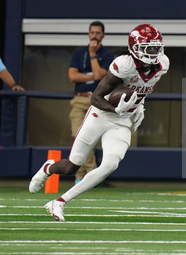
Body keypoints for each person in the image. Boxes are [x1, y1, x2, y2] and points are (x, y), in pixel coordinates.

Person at [29, 24, 169, 221]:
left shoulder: (162, 64)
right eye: (148, 48)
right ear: (135, 48)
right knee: (71, 167)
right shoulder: (124, 64)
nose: (154, 52)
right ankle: (48, 168)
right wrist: (115, 109)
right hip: (100, 115)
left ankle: (60, 201)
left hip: (121, 121)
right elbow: (96, 97)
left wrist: (139, 106)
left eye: (156, 47)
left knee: (110, 164)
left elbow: (143, 87)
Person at [68, 21, 114, 183]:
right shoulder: (78, 53)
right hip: (80, 99)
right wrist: (92, 75)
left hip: (97, 100)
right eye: (92, 33)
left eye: (98, 33)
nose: (94, 36)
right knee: (77, 135)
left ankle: (81, 176)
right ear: (88, 33)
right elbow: (72, 76)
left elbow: (100, 75)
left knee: (90, 138)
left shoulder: (108, 55)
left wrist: (93, 54)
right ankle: (93, 174)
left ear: (103, 35)